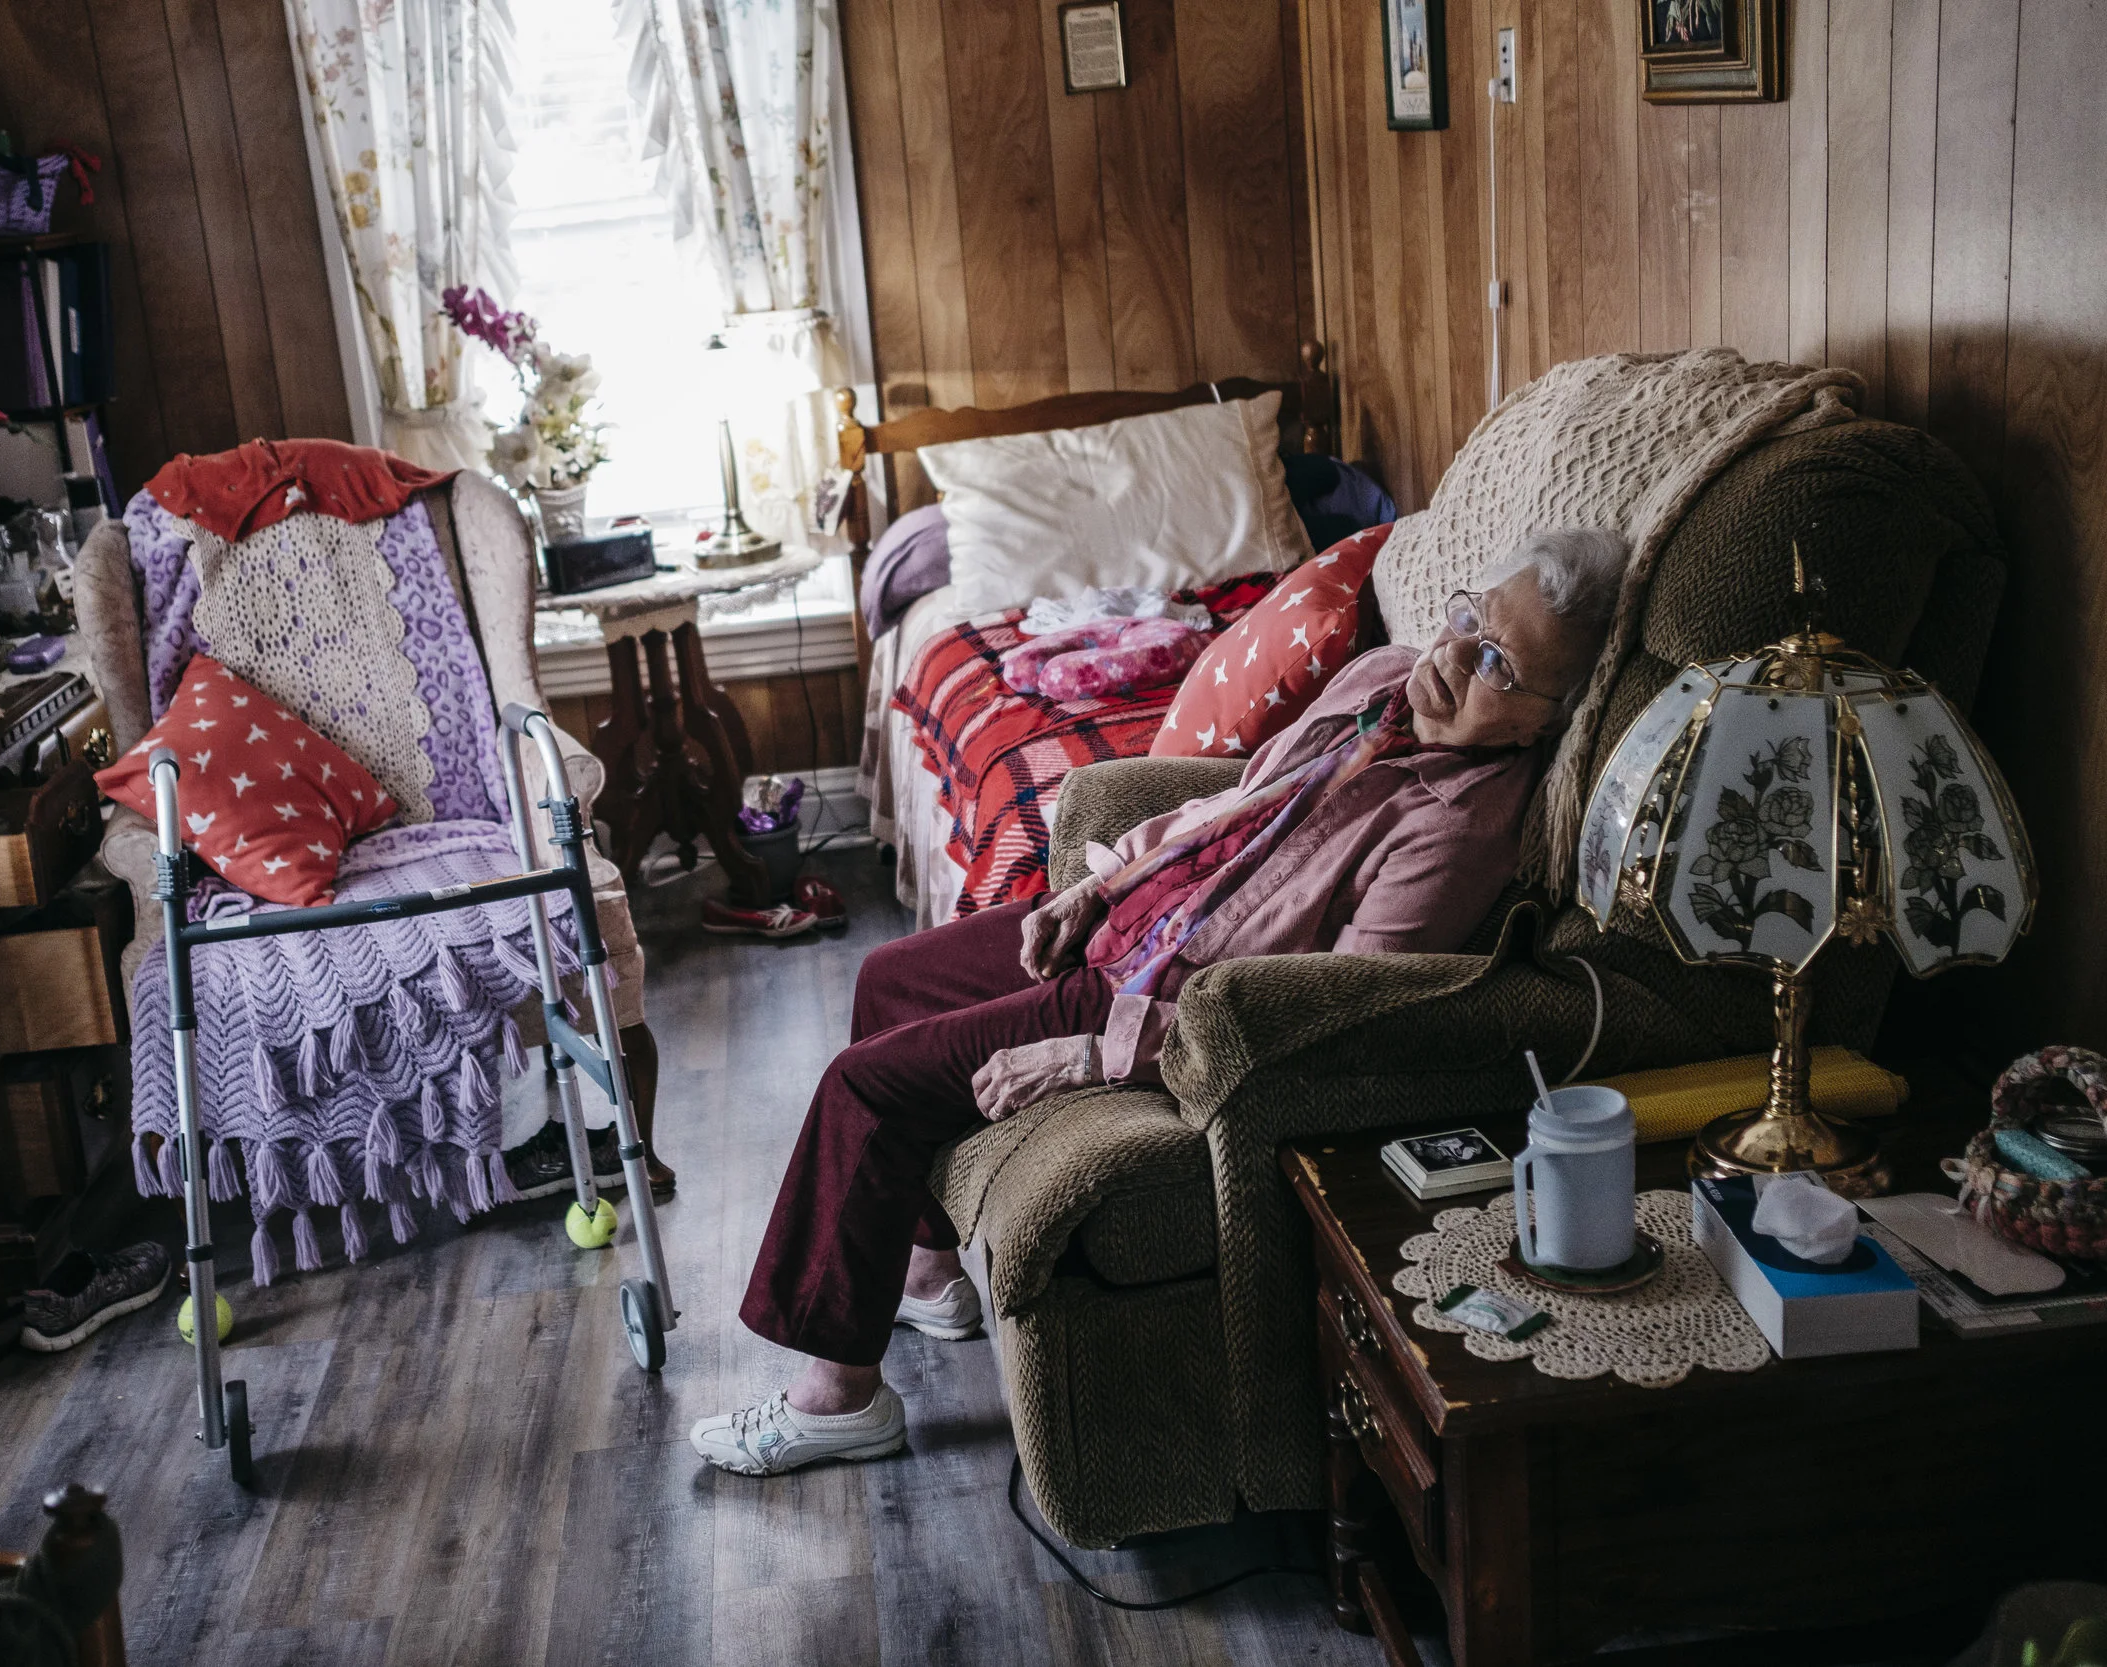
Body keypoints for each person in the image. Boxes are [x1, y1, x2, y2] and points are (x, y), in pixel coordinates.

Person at [690, 527, 1632, 1476]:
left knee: (867, 1087)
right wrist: (1093, 885)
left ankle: (838, 1395)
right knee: (885, 977)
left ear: (1540, 722)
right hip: (1129, 918)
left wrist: (1097, 1054)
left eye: (1499, 663)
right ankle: (930, 1272)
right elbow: (1235, 801)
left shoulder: (1458, 828)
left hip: (1150, 998)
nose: (1455, 655)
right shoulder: (1381, 675)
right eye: (1469, 617)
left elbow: (1327, 1008)